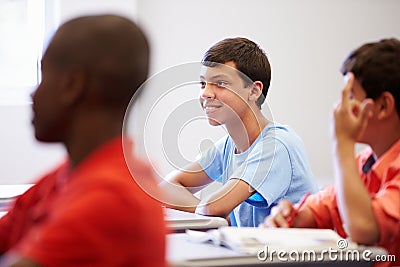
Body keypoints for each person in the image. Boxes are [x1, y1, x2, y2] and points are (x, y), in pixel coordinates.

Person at [0, 15, 167, 267]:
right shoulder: (64, 179)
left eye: (43, 76)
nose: (34, 93)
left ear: (72, 85)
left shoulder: (111, 200)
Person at [261, 38, 400, 266]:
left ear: (383, 106)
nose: (340, 108)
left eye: (351, 97)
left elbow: (365, 228)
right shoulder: (364, 162)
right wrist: (291, 217)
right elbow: (322, 208)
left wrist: (342, 142)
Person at [160, 37, 318, 227]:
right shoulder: (228, 146)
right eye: (203, 84)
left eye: (220, 83)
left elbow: (213, 208)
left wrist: (210, 211)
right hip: (254, 253)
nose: (206, 93)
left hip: (291, 254)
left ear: (254, 91)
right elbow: (166, 187)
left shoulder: (277, 144)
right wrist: (205, 211)